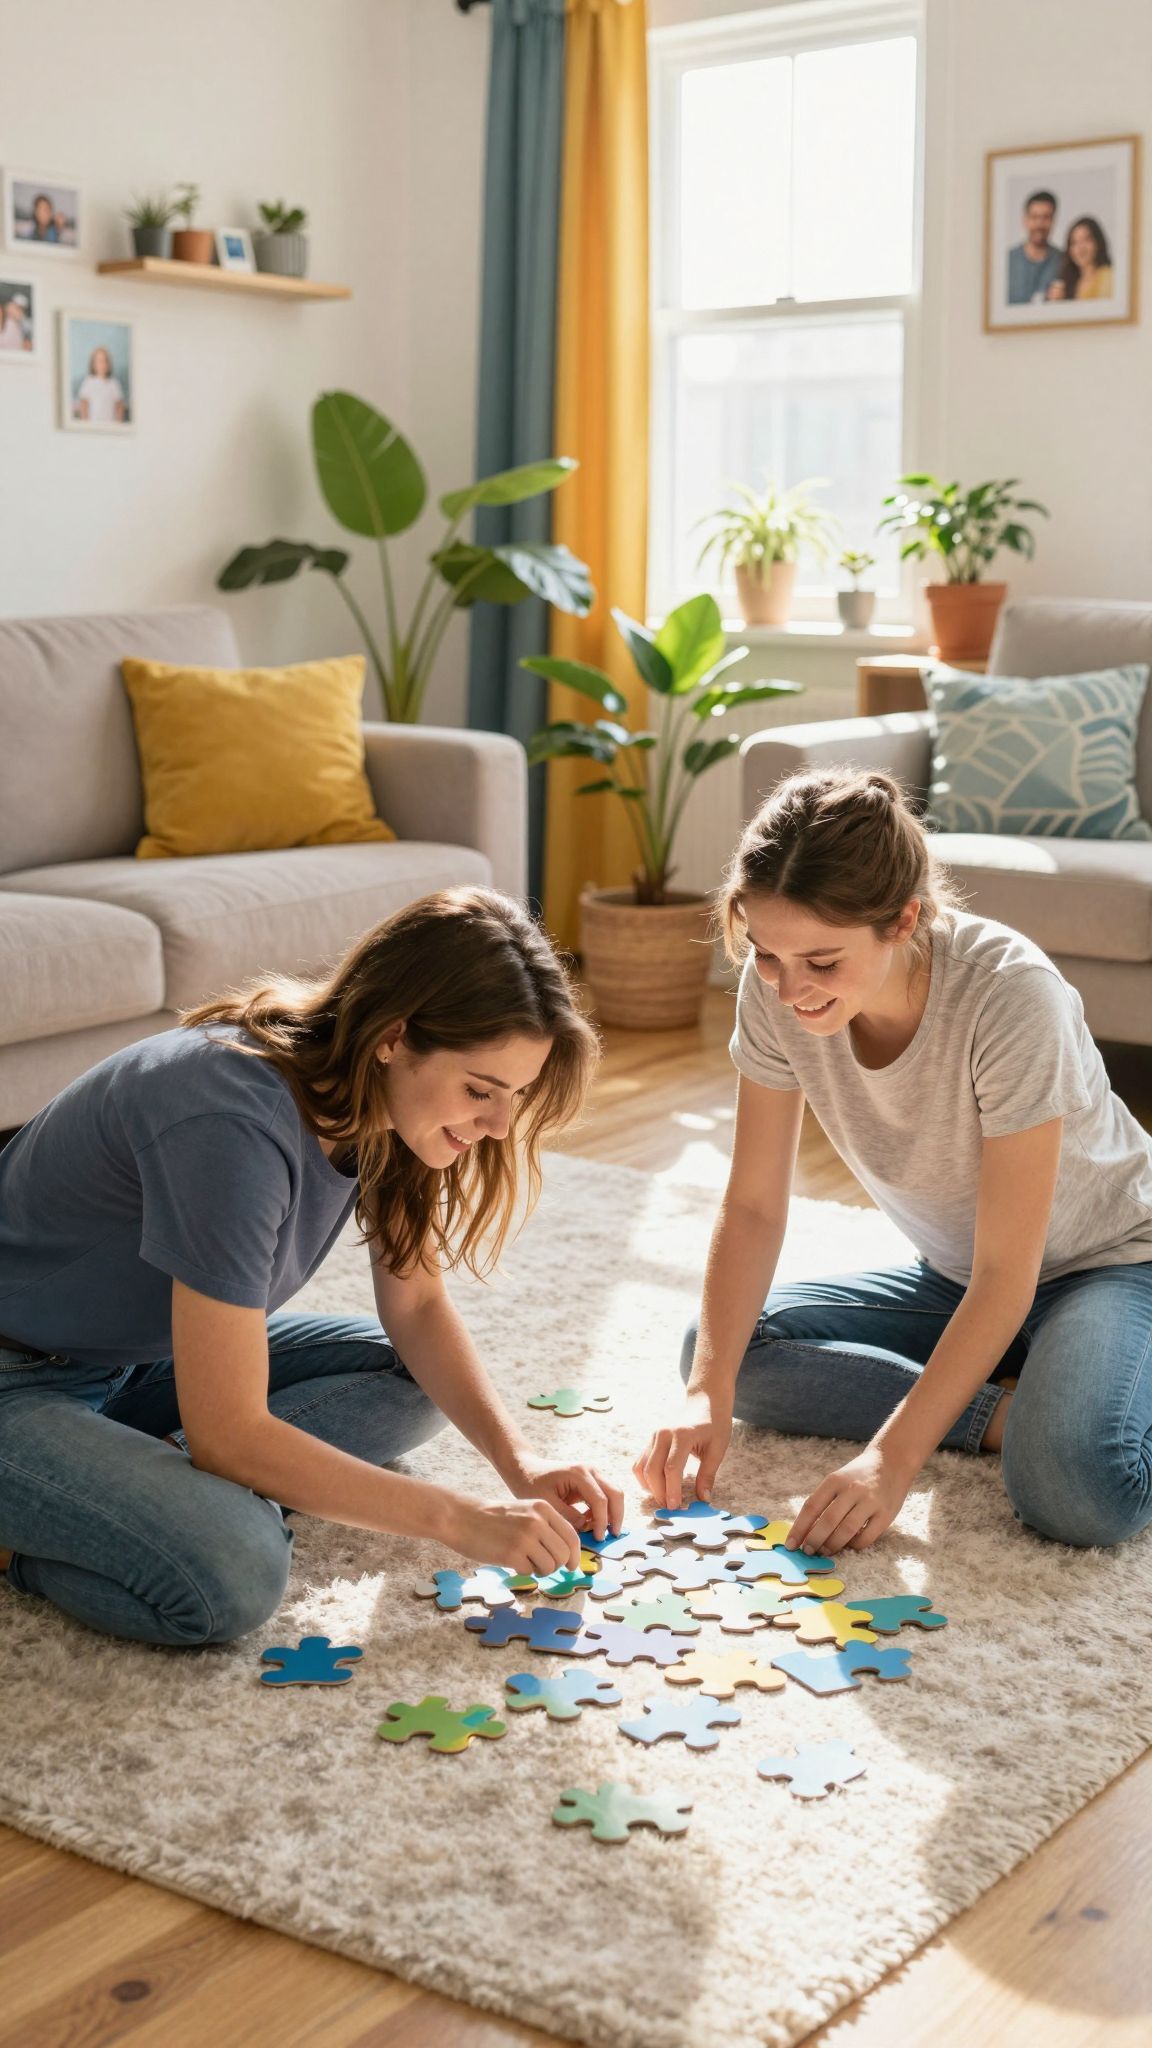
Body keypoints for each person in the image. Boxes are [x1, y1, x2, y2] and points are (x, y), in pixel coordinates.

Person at [0, 888, 623, 1647]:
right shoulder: (229, 1122)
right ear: (395, 1036)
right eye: (480, 1091)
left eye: (514, 1097)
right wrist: (456, 1518)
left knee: (406, 1380)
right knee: (233, 1566)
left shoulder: (379, 1100)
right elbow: (227, 1435)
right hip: (16, 1375)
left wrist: (520, 1465)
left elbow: (418, 1307)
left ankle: (121, 1481)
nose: (497, 1127)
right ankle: (30, 1539)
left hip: (130, 1360)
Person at [635, 769, 1152, 1556]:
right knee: (717, 1354)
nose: (790, 989)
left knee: (1075, 1488)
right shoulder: (773, 988)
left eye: (822, 961)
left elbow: (1010, 1274)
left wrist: (891, 1456)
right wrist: (706, 1394)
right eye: (767, 955)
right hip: (958, 1276)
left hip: (1111, 1263)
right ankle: (1012, 1406)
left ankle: (1060, 1402)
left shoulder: (1011, 997)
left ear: (904, 919)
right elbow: (752, 1208)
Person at [1006, 189, 1063, 303]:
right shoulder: (1007, 261)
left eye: (1046, 217)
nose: (1039, 224)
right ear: (1025, 220)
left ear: (1053, 220)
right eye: (1034, 217)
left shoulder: (1065, 261)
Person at [1048, 215, 1113, 300]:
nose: (1080, 248)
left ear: (1097, 242)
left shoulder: (1108, 277)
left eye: (1086, 240)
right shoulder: (1069, 282)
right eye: (1074, 243)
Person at [75, 344, 127, 425]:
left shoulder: (113, 383)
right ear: (93, 364)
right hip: (93, 424)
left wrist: (119, 422)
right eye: (99, 361)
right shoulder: (89, 381)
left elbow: (119, 405)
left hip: (110, 424)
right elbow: (83, 404)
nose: (103, 364)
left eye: (105, 361)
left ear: (109, 364)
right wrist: (85, 423)